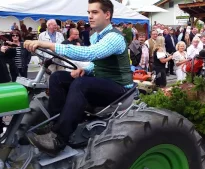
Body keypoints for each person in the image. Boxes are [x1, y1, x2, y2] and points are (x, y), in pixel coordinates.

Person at [24, 0, 133, 156]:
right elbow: (96, 63)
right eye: (89, 12)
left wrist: (47, 44)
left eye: (95, 12)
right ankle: (57, 125)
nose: (90, 16)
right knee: (57, 77)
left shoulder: (114, 37)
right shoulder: (96, 36)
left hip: (120, 88)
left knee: (81, 85)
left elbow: (89, 53)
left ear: (107, 14)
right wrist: (85, 69)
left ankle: (59, 140)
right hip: (104, 80)